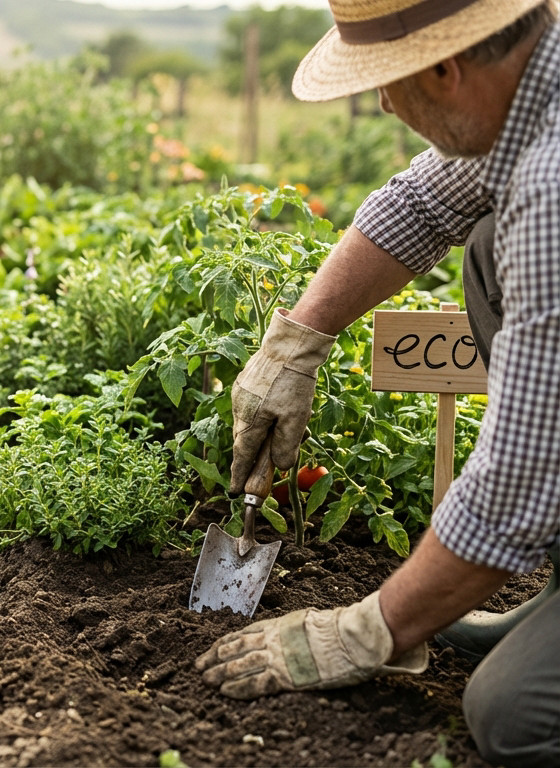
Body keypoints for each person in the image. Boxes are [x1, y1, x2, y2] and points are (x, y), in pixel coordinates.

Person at [193, 1, 560, 765]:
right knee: (486, 245)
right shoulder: (530, 93)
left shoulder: (554, 189)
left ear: (443, 67)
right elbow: (421, 202)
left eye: (387, 82)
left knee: (511, 717)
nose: (385, 104)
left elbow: (520, 481)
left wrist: (368, 630)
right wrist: (293, 346)